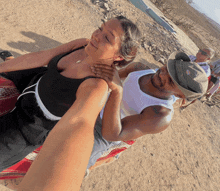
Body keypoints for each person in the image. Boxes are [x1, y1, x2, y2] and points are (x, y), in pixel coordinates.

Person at [0, 16, 141, 172]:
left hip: (26, 129)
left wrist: (117, 92)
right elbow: (42, 56)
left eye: (107, 38)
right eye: (101, 28)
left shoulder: (96, 86)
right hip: (32, 83)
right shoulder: (82, 45)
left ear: (118, 57)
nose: (97, 36)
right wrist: (2, 67)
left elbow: (93, 131)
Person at [84, 51, 209, 171]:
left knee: (78, 160)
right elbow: (109, 77)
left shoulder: (160, 115)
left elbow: (112, 134)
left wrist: (117, 92)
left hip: (104, 131)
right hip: (96, 102)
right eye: (167, 68)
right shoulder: (139, 69)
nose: (162, 75)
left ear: (180, 95)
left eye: (171, 81)